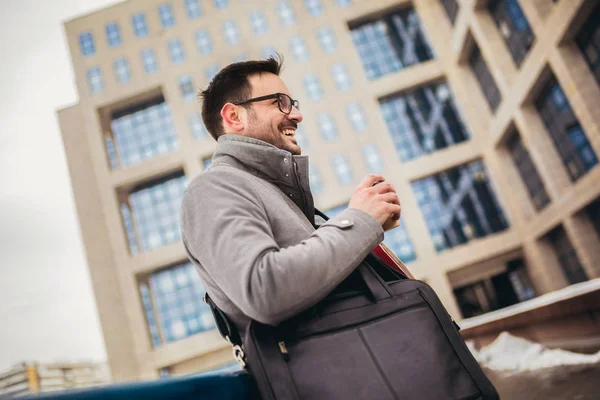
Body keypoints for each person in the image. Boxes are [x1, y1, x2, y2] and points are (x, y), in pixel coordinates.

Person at [180, 55, 401, 334]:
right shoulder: (211, 189)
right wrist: (360, 221)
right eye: (279, 102)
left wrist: (368, 223)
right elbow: (264, 289)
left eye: (293, 104)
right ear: (234, 116)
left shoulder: (272, 192)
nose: (297, 115)